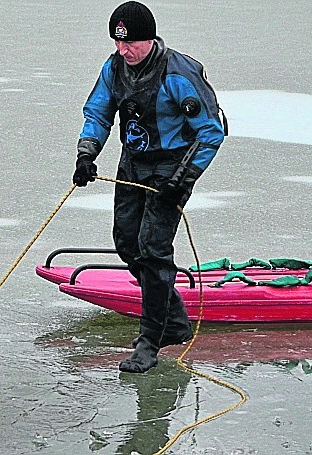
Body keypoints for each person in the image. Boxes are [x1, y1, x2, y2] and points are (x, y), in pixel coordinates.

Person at [72, 1, 226, 373]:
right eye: (117, 43)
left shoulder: (179, 72)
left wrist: (182, 181)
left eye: (130, 44)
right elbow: (98, 112)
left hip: (172, 167)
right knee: (127, 243)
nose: (123, 51)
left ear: (150, 39)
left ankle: (149, 342)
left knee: (153, 250)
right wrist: (86, 154)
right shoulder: (114, 68)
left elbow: (211, 132)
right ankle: (173, 319)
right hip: (133, 162)